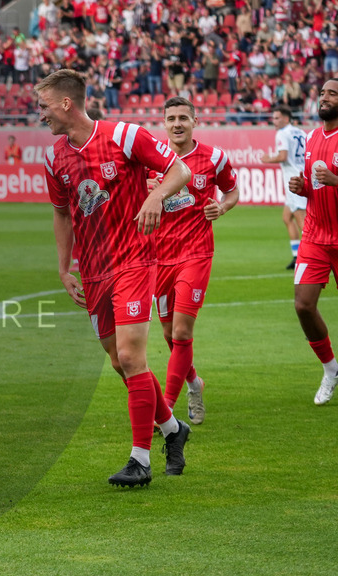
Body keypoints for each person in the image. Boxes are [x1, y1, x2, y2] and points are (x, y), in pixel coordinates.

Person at [39, 69, 192, 487]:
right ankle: (174, 430)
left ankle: (139, 461)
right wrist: (63, 267)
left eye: (45, 106)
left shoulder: (125, 136)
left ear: (66, 104)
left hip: (134, 262)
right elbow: (61, 213)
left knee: (130, 357)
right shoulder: (54, 157)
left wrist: (156, 194)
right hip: (93, 272)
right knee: (119, 363)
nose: (41, 115)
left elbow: (180, 172)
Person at [151, 97, 240, 426]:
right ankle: (194, 383)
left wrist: (223, 207)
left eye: (183, 118)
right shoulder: (151, 159)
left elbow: (231, 192)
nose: (177, 123)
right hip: (159, 257)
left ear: (195, 121)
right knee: (168, 335)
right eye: (171, 118)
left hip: (197, 253)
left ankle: (165, 411)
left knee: (182, 332)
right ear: (163, 123)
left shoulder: (214, 157)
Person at [289, 78, 338, 405]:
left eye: (332, 93)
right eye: (322, 93)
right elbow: (314, 187)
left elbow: (331, 181)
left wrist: (335, 180)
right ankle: (331, 369)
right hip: (316, 236)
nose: (324, 98)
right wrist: (301, 186)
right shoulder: (310, 138)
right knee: (303, 305)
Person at [261, 106, 308, 270]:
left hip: (294, 182)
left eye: (277, 118)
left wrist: (268, 159)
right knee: (287, 217)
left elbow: (283, 156)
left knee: (303, 222)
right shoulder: (301, 132)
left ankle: (314, 256)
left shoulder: (282, 133)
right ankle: (297, 256)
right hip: (303, 177)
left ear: (286, 119)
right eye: (273, 118)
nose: (274, 121)